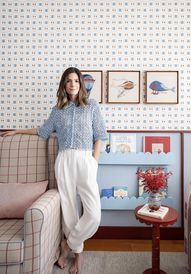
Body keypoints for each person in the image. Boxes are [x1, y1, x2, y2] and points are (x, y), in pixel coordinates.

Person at [1, 67, 107, 274]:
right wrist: (17, 130)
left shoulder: (92, 106)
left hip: (86, 159)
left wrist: (94, 162)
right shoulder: (58, 110)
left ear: (81, 84)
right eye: (68, 81)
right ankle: (78, 256)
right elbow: (42, 131)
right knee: (68, 210)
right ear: (64, 85)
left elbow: (100, 135)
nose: (73, 84)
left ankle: (67, 244)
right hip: (65, 159)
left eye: (76, 80)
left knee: (93, 214)